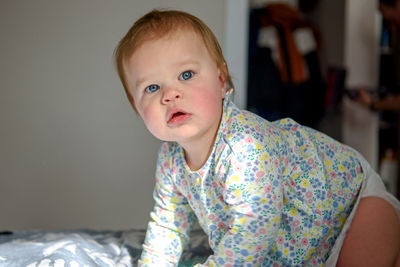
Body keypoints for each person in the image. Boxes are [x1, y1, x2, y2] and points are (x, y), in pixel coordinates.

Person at [114, 9, 400, 266]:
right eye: (152, 88)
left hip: (350, 208)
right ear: (136, 107)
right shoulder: (170, 161)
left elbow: (253, 227)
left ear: (220, 81)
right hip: (302, 246)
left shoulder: (245, 144)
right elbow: (168, 225)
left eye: (186, 74)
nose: (170, 94)